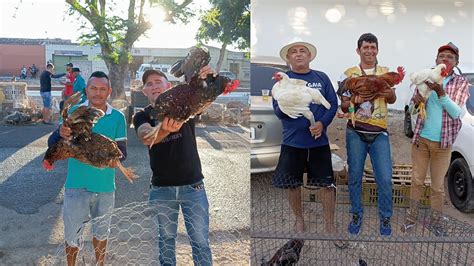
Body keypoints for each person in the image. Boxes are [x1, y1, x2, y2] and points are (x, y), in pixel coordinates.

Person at [133, 67, 214, 265]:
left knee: (200, 241)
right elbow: (145, 136)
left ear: (168, 85)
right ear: (144, 91)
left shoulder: (185, 106)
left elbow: (205, 100)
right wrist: (164, 131)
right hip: (161, 189)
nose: (154, 86)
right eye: (149, 84)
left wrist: (207, 80)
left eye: (158, 81)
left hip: (193, 186)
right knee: (166, 240)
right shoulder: (141, 116)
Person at [48, 71, 128, 266]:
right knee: (72, 233)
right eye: (93, 88)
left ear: (109, 91)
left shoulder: (117, 117)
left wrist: (112, 160)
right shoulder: (75, 111)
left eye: (102, 89)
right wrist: (60, 132)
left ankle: (99, 264)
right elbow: (52, 142)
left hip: (105, 187)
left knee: (101, 232)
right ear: (86, 89)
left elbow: (123, 152)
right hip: (76, 185)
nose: (98, 93)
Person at [272, 41, 338, 237]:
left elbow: (332, 105)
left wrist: (322, 124)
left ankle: (329, 224)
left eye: (303, 51)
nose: (298, 54)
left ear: (309, 56)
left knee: (327, 185)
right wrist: (292, 107)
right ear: (288, 58)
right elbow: (278, 111)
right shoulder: (282, 82)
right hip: (293, 141)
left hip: (319, 142)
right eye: (294, 52)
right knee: (293, 185)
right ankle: (299, 220)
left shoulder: (321, 78)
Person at [402, 42, 470, 232]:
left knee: (437, 187)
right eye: (442, 56)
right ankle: (411, 218)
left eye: (450, 57)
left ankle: (436, 222)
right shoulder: (427, 77)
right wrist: (416, 103)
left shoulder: (460, 83)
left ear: (455, 62)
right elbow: (415, 109)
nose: (445, 59)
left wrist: (442, 94)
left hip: (443, 144)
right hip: (421, 141)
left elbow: (457, 113)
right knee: (416, 182)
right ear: (436, 60)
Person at [339, 33, 397, 236]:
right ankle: (356, 213)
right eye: (366, 47)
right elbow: (344, 105)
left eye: (373, 47)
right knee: (354, 176)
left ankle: (386, 216)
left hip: (379, 132)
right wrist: (354, 98)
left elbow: (392, 98)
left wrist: (388, 93)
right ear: (359, 50)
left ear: (377, 50)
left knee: (385, 178)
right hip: (355, 131)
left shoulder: (385, 72)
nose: (370, 51)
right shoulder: (349, 73)